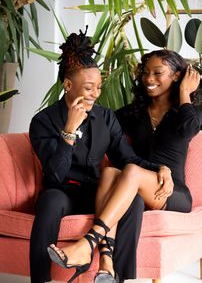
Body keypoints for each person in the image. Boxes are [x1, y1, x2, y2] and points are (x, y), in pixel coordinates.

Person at [47, 49, 202, 282]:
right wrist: (67, 130)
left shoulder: (185, 114)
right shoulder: (135, 113)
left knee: (128, 171)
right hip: (134, 185)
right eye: (146, 72)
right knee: (110, 172)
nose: (149, 79)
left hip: (171, 190)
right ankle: (107, 265)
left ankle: (88, 243)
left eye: (158, 73)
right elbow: (99, 123)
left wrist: (184, 92)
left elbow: (191, 128)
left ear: (177, 76)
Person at [29, 30, 171, 283]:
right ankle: (41, 278)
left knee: (134, 201)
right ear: (68, 85)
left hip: (96, 191)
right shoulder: (43, 121)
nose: (95, 93)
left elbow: (126, 158)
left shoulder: (105, 117)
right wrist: (69, 131)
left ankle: (115, 276)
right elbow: (55, 174)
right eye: (88, 87)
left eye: (98, 87)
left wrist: (160, 168)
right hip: (63, 192)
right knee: (50, 200)